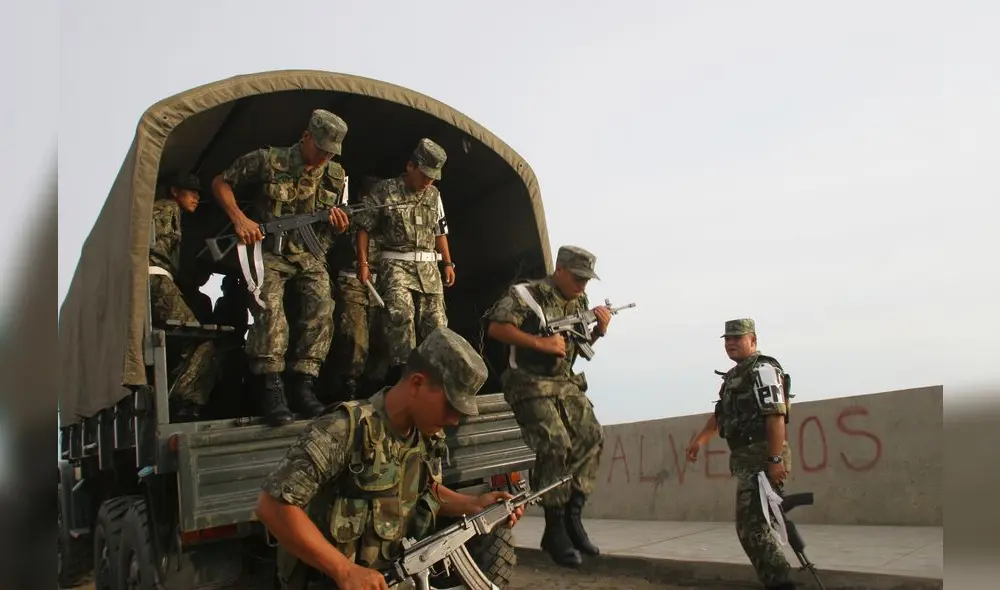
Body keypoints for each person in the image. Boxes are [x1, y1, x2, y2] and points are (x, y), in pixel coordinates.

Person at [255, 327, 525, 590]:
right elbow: (273, 506)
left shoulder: (427, 436)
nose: (454, 419)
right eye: (450, 405)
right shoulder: (345, 429)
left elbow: (423, 492)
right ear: (417, 383)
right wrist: (344, 570)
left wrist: (473, 504)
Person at [211, 109, 351, 426]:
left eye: (331, 152)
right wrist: (240, 219)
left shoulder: (336, 175)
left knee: (322, 307)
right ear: (306, 137)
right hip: (269, 252)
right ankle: (272, 389)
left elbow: (335, 225)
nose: (324, 156)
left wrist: (340, 227)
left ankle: (304, 384)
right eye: (321, 148)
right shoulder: (268, 160)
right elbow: (221, 182)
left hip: (308, 253)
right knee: (270, 310)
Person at [483, 245, 612, 568]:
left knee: (592, 437)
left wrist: (599, 331)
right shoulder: (527, 294)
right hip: (527, 380)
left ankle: (573, 517)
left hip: (563, 381)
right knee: (556, 444)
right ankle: (554, 528)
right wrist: (540, 342)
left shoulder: (579, 301)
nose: (583, 286)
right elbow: (497, 328)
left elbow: (578, 350)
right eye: (578, 278)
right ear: (560, 270)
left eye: (587, 280)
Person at [685, 318, 796, 590]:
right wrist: (699, 439)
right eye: (727, 339)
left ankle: (781, 582)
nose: (731, 343)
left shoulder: (764, 369)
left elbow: (776, 417)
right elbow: (721, 415)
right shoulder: (734, 377)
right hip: (746, 460)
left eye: (738, 338)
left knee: (751, 528)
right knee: (753, 526)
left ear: (753, 340)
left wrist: (775, 459)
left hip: (763, 457)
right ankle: (778, 580)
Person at [352, 138, 456, 385]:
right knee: (401, 317)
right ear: (410, 166)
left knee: (437, 324)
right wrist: (363, 264)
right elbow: (363, 227)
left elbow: (440, 231)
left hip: (428, 268)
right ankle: (405, 377)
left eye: (433, 177)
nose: (428, 182)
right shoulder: (384, 191)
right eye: (424, 175)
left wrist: (448, 264)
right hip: (396, 264)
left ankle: (435, 379)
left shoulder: (434, 195)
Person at [148, 171, 219, 422]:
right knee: (202, 340)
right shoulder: (167, 209)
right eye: (191, 192)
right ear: (175, 192)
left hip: (158, 279)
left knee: (187, 340)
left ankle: (178, 400)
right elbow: (151, 251)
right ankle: (185, 403)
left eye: (198, 193)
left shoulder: (168, 211)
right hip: (157, 279)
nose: (197, 197)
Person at [322, 175, 384, 402]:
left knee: (381, 339)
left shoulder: (388, 219)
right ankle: (348, 389)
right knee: (355, 340)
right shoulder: (347, 217)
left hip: (382, 283)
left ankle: (373, 388)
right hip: (352, 281)